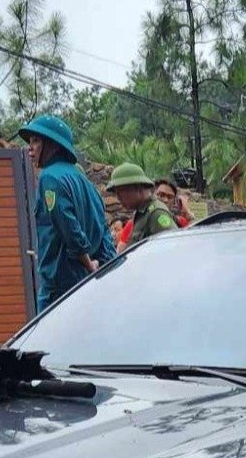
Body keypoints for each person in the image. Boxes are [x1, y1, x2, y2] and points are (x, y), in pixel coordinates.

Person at [17, 114, 113, 311]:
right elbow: (102, 228)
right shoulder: (84, 181)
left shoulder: (49, 178)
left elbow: (68, 226)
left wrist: (88, 263)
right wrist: (106, 267)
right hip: (85, 284)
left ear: (52, 144)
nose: (30, 148)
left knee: (45, 339)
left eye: (36, 140)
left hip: (59, 287)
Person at [108, 163, 179, 251]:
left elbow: (175, 247)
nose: (118, 197)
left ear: (137, 188)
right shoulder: (142, 212)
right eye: (116, 193)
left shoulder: (156, 213)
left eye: (120, 192)